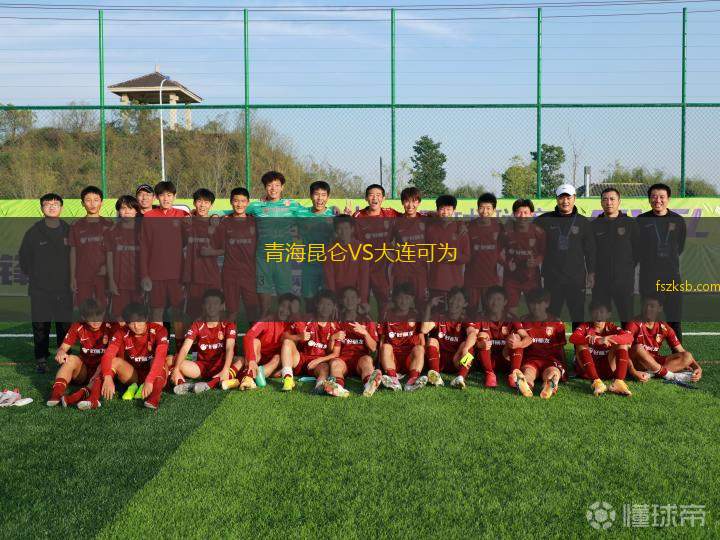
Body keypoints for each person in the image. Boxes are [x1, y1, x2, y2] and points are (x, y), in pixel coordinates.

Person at [79, 302, 170, 410]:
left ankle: (154, 399)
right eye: (131, 323)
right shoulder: (122, 332)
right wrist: (107, 377)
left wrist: (150, 380)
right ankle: (93, 399)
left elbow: (160, 356)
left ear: (146, 318)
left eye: (139, 321)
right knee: (114, 361)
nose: (136, 326)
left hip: (154, 374)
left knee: (157, 360)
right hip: (133, 375)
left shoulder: (160, 330)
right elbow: (108, 355)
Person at [19, 192, 72, 373]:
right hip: (40, 289)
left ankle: (64, 358)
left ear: (61, 207)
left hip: (64, 289)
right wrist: (37, 276)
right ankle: (41, 359)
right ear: (41, 208)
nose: (52, 207)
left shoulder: (69, 230)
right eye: (47, 204)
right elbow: (24, 258)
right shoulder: (33, 232)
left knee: (64, 325)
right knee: (41, 325)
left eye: (55, 204)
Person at [535, 184, 595, 325]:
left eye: (568, 197)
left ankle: (579, 340)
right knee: (551, 315)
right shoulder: (544, 220)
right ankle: (551, 339)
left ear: (574, 198)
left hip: (576, 279)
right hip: (552, 277)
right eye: (562, 198)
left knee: (577, 315)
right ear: (556, 199)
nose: (565, 201)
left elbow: (590, 250)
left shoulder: (583, 222)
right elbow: (525, 229)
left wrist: (591, 273)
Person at [140, 180, 190, 340]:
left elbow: (187, 241)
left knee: (178, 312)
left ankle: (180, 348)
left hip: (177, 274)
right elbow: (144, 247)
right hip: (155, 275)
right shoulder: (148, 217)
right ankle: (159, 347)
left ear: (174, 196)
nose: (166, 199)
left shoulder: (182, 215)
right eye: (162, 195)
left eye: (169, 195)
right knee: (157, 311)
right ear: (156, 197)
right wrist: (145, 275)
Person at [637, 183, 686, 341]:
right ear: (649, 199)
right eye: (654, 197)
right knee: (648, 319)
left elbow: (680, 246)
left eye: (661, 197)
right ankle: (646, 352)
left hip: (672, 277)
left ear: (668, 199)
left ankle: (677, 352)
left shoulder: (678, 221)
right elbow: (636, 248)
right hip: (648, 278)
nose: (658, 200)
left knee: (674, 318)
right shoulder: (641, 220)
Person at [46, 299, 116, 406]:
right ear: (83, 317)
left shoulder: (110, 326)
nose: (96, 321)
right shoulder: (78, 326)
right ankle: (56, 394)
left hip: (103, 369)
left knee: (107, 362)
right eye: (91, 317)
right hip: (83, 371)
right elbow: (63, 347)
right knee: (71, 359)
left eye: (99, 316)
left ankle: (81, 395)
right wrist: (61, 352)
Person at [206, 187, 259, 323]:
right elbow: (217, 246)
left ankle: (254, 337)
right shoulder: (224, 222)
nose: (239, 204)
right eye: (236, 201)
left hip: (250, 274)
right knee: (231, 312)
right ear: (231, 202)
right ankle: (230, 337)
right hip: (230, 274)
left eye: (243, 201)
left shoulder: (255, 222)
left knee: (253, 312)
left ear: (248, 203)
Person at [170, 289, 238, 394]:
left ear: (222, 306)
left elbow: (230, 348)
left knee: (241, 360)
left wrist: (225, 369)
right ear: (203, 306)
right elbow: (185, 348)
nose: (211, 307)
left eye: (215, 303)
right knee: (172, 361)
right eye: (208, 303)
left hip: (221, 366)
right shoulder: (197, 324)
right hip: (201, 367)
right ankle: (182, 384)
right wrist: (176, 369)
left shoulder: (228, 324)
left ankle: (210, 384)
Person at [625, 297, 701, 384]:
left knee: (687, 356)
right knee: (638, 348)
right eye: (646, 306)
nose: (648, 309)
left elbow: (681, 351)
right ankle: (671, 376)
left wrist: (697, 367)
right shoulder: (634, 323)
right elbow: (624, 350)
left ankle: (652, 374)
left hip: (654, 362)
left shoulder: (664, 327)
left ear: (660, 308)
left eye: (652, 306)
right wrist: (633, 371)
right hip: (638, 362)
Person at [591, 187, 639, 324]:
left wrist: (626, 267)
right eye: (605, 199)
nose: (609, 202)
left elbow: (638, 250)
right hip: (601, 280)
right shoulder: (594, 225)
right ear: (601, 202)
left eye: (612, 199)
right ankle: (601, 339)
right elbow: (590, 252)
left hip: (624, 280)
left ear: (619, 202)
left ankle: (628, 339)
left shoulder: (630, 223)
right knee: (600, 318)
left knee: (627, 317)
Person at [569, 299, 635, 397]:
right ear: (590, 314)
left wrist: (610, 338)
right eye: (595, 312)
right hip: (587, 371)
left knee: (623, 344)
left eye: (602, 312)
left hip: (607, 369)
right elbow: (573, 338)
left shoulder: (612, 327)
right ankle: (596, 382)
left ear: (608, 315)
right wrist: (597, 340)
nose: (598, 315)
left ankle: (619, 382)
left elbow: (629, 337)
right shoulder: (585, 326)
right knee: (580, 343)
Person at [279, 290, 341, 393]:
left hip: (319, 363)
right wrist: (299, 337)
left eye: (328, 305)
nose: (325, 308)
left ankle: (320, 385)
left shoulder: (335, 327)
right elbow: (283, 337)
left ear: (333, 307)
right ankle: (288, 378)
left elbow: (336, 354)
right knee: (287, 342)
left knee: (325, 367)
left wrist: (318, 360)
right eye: (322, 304)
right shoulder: (306, 319)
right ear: (317, 304)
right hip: (300, 359)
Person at [352, 184, 401, 314]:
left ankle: (383, 327)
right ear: (366, 198)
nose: (375, 198)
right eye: (371, 195)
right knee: (362, 302)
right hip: (362, 266)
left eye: (378, 195)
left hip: (382, 267)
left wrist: (432, 214)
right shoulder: (358, 216)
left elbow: (409, 217)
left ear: (383, 198)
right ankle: (363, 326)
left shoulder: (390, 214)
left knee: (385, 302)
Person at [513, 288, 567, 399]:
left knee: (553, 372)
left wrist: (563, 365)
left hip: (551, 360)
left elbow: (560, 348)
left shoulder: (557, 322)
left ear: (547, 303)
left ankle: (550, 383)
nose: (535, 307)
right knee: (528, 372)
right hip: (531, 359)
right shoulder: (523, 321)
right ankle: (527, 385)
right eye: (532, 303)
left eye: (539, 303)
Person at [421, 287, 479, 390]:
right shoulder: (440, 316)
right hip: (439, 361)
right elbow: (424, 329)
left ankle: (460, 377)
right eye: (452, 298)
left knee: (468, 345)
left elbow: (472, 334)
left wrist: (465, 349)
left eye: (458, 299)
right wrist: (429, 307)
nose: (454, 302)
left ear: (465, 304)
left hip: (456, 361)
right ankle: (436, 375)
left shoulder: (465, 319)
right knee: (432, 340)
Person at [329, 286, 382, 397]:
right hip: (342, 360)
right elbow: (331, 351)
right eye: (346, 298)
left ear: (358, 300)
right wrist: (333, 337)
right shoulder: (337, 320)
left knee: (367, 360)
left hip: (360, 360)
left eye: (353, 297)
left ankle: (369, 384)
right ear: (342, 300)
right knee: (335, 363)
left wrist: (365, 333)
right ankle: (337, 387)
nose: (349, 301)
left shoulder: (367, 320)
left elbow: (373, 348)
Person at [378, 283, 427, 392]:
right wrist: (380, 360)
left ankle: (412, 382)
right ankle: (393, 381)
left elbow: (421, 338)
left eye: (407, 298)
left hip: (410, 359)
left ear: (412, 299)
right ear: (395, 299)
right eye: (400, 297)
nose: (404, 301)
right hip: (392, 359)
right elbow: (382, 339)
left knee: (420, 348)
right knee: (386, 347)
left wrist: (422, 358)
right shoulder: (387, 315)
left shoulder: (416, 314)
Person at [69, 185, 112, 310]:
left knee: (103, 309)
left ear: (102, 202)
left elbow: (113, 252)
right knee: (84, 310)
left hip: (103, 276)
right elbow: (73, 252)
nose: (92, 204)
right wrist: (72, 277)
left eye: (96, 200)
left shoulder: (109, 224)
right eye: (88, 200)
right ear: (82, 203)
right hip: (83, 276)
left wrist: (108, 269)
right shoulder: (76, 225)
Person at [295, 181, 335, 311]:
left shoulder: (334, 215)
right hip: (309, 265)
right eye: (316, 194)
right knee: (309, 301)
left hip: (329, 265)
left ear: (328, 197)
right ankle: (310, 324)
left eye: (323, 195)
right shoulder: (301, 213)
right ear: (311, 196)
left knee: (328, 301)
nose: (320, 198)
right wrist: (265, 200)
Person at [474, 286, 523, 388]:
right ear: (487, 301)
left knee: (517, 338)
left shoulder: (512, 318)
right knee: (482, 336)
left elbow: (528, 338)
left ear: (505, 302)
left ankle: (514, 374)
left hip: (505, 359)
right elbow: (471, 337)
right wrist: (479, 344)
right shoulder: (480, 317)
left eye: (499, 299)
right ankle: (489, 374)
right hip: (486, 360)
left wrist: (519, 343)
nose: (495, 303)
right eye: (492, 299)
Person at [500, 199, 545, 312]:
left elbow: (543, 253)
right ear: (514, 214)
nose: (522, 216)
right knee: (510, 313)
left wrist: (536, 261)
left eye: (526, 212)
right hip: (511, 278)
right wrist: (506, 264)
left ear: (531, 214)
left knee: (535, 311)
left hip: (531, 278)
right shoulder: (506, 232)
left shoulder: (539, 232)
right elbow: (496, 251)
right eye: (519, 212)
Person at [183, 188, 221, 320]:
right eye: (199, 201)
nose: (202, 205)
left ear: (211, 205)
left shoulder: (216, 224)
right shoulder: (187, 222)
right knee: (194, 314)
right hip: (192, 276)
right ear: (194, 203)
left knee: (213, 313)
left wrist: (212, 252)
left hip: (211, 276)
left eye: (206, 202)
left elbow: (226, 249)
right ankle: (194, 334)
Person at [465, 193, 503, 316]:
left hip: (491, 280)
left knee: (490, 313)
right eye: (481, 208)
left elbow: (501, 251)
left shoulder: (499, 227)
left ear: (494, 210)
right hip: (471, 280)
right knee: (471, 313)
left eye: (488, 208)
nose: (484, 211)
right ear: (477, 209)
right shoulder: (469, 226)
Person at [425, 195, 470, 299]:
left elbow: (467, 257)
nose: (445, 212)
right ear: (437, 210)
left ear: (454, 210)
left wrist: (454, 256)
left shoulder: (461, 230)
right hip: (435, 283)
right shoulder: (430, 228)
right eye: (442, 209)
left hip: (455, 285)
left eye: (449, 209)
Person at [105, 195, 142, 320]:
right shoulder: (112, 231)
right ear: (119, 211)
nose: (127, 212)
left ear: (136, 211)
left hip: (138, 283)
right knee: (119, 317)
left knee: (138, 318)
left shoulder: (143, 231)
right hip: (119, 283)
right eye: (123, 208)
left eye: (130, 208)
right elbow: (109, 258)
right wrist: (111, 281)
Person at [390, 187, 428, 306]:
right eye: (407, 201)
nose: (410, 205)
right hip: (401, 271)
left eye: (414, 201)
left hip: (419, 271)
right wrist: (393, 254)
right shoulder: (396, 222)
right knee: (400, 305)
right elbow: (386, 243)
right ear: (402, 202)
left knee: (421, 304)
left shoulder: (426, 220)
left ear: (419, 202)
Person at [324, 215, 370, 308]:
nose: (343, 232)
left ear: (352, 229)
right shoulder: (329, 250)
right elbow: (329, 277)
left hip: (354, 294)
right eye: (340, 229)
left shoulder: (361, 248)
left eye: (346, 228)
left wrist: (363, 300)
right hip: (337, 294)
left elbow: (364, 276)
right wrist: (333, 300)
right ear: (336, 231)